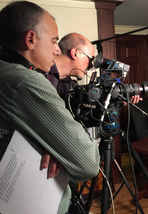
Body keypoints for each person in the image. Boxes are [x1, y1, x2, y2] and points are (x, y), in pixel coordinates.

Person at [0, 1, 100, 213]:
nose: (56, 50)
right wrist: (62, 148)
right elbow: (88, 162)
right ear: (30, 39)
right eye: (54, 41)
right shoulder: (26, 81)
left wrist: (54, 145)